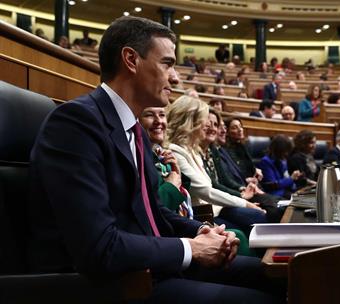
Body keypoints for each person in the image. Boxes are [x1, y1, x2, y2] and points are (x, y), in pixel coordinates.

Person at [28, 16, 282, 303]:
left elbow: (154, 213)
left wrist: (202, 231)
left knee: (281, 277)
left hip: (154, 266)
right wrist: (192, 248)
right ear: (131, 60)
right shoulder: (76, 124)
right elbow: (98, 247)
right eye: (168, 63)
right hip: (114, 284)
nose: (175, 78)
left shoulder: (134, 129)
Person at [139, 106, 254, 257]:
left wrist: (201, 227)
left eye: (162, 115)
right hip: (180, 230)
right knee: (242, 235)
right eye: (204, 123)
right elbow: (156, 209)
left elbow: (209, 184)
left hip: (192, 219)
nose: (208, 127)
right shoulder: (166, 152)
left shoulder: (165, 154)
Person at [167, 95, 268, 236]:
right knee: (253, 221)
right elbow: (205, 191)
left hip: (216, 209)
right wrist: (245, 203)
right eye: (204, 121)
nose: (207, 125)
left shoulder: (193, 151)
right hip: (202, 215)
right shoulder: (176, 151)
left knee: (258, 217)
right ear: (192, 123)